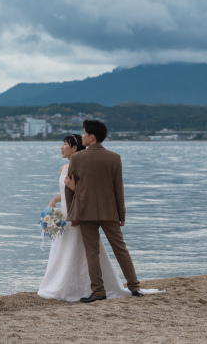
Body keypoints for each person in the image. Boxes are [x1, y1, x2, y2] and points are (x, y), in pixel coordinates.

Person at [37, 134, 137, 301]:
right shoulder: (63, 168)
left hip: (79, 213)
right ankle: (62, 283)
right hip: (67, 213)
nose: (61, 147)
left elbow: (84, 193)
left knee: (87, 251)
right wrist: (54, 199)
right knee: (63, 251)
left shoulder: (82, 165)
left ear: (74, 148)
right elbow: (65, 192)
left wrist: (73, 189)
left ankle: (94, 288)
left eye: (65, 144)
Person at [65, 119, 152, 303]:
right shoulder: (114, 158)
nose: (82, 137)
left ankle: (98, 291)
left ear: (92, 136)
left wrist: (72, 214)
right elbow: (118, 189)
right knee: (120, 249)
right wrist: (122, 214)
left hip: (85, 212)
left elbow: (68, 187)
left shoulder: (77, 158)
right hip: (110, 211)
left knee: (92, 252)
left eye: (83, 133)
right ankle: (134, 286)